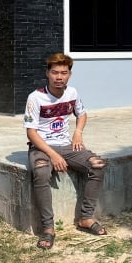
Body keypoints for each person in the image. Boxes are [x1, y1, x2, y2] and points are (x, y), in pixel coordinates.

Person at [24, 52, 107, 250]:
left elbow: (82, 114)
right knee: (42, 171)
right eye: (54, 73)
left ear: (69, 74)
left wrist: (78, 132)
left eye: (64, 73)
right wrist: (53, 155)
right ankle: (48, 228)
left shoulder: (73, 93)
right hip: (41, 147)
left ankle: (86, 218)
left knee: (98, 165)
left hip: (67, 146)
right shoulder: (36, 98)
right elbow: (31, 133)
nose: (59, 77)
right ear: (47, 74)